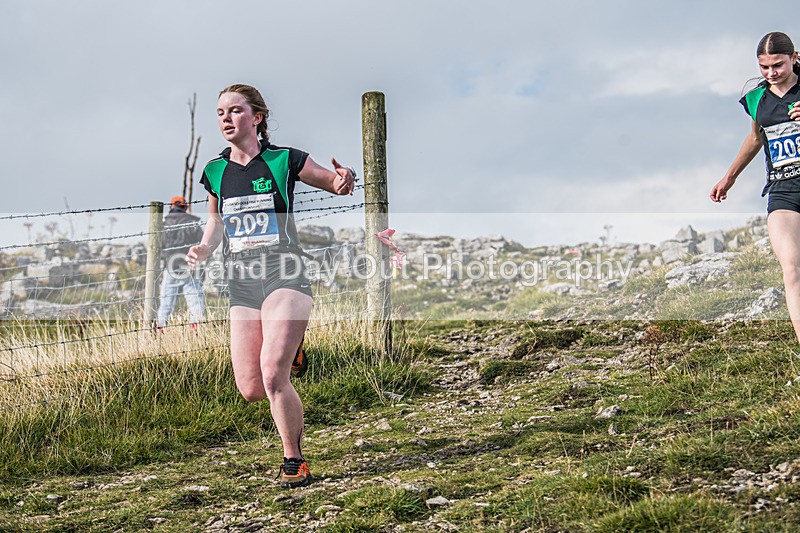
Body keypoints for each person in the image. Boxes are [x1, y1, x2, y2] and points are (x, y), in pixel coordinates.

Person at [186, 84, 355, 488]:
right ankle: (290, 348)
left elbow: (333, 183)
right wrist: (205, 247)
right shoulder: (214, 171)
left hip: (285, 273)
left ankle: (294, 460)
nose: (226, 119)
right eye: (220, 113)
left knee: (273, 374)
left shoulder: (284, 159)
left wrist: (344, 179)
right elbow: (216, 220)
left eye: (235, 110)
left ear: (257, 117)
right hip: (242, 283)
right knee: (250, 388)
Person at [711, 31, 800, 342]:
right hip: (783, 190)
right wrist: (730, 177)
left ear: (794, 58)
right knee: (792, 268)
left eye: (778, 65)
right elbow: (755, 137)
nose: (771, 73)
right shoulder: (755, 99)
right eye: (764, 67)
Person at [157, 195, 205, 330]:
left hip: (170, 267)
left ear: (170, 206)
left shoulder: (163, 225)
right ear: (186, 207)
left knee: (166, 303)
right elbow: (202, 244)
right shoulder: (193, 223)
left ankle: (161, 329)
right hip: (190, 266)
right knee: (195, 302)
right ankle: (195, 328)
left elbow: (159, 246)